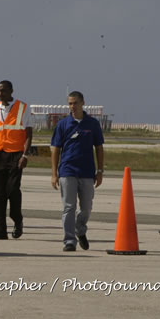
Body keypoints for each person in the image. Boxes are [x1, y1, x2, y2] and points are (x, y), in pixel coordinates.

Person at [50, 91, 105, 252]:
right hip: (67, 171)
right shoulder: (63, 124)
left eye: (75, 103)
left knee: (86, 207)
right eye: (70, 103)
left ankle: (80, 229)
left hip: (87, 172)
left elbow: (99, 148)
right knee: (69, 207)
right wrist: (54, 173)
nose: (72, 107)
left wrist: (100, 170)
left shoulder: (92, 124)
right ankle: (69, 240)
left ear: (83, 103)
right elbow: (55, 149)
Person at [0, 80, 32, 240]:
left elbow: (28, 134)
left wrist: (25, 155)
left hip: (16, 155)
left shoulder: (23, 108)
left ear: (11, 91)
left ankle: (17, 219)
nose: (0, 94)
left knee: (12, 190)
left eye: (3, 91)